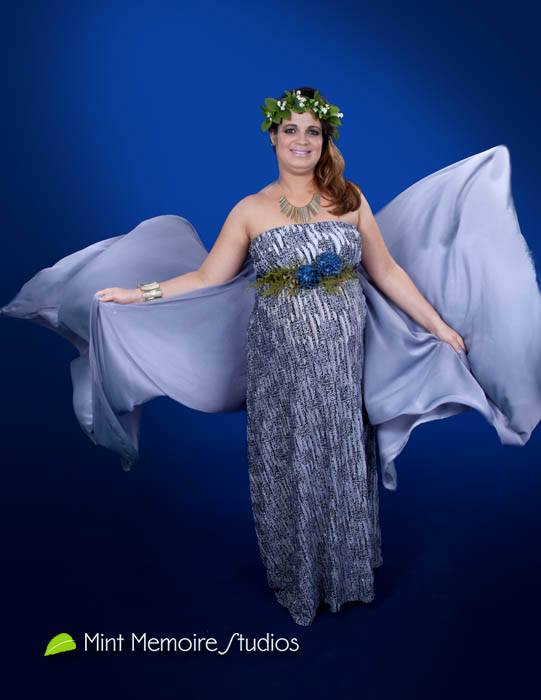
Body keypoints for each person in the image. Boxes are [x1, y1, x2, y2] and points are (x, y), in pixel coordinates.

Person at [2, 87, 540, 626]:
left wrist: (439, 326)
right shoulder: (250, 210)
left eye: (313, 131)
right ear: (274, 138)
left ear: (325, 140)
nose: (301, 140)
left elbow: (388, 272)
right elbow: (207, 277)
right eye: (291, 130)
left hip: (340, 362)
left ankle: (346, 573)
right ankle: (299, 575)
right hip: (278, 362)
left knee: (341, 454)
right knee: (289, 457)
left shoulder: (349, 199)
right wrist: (136, 294)